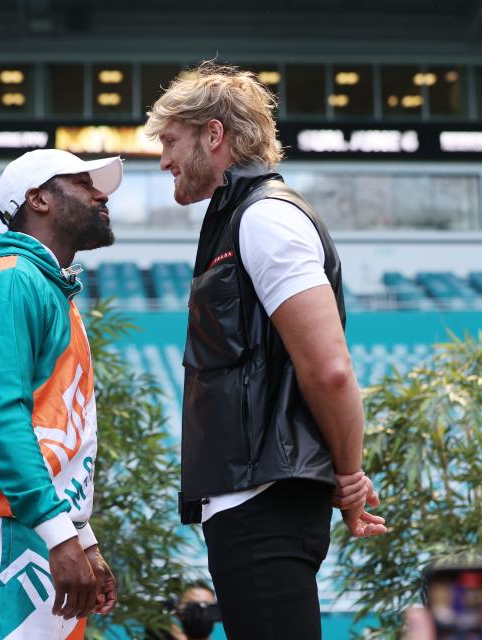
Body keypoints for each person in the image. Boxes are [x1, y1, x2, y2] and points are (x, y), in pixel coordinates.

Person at [144, 62, 387, 639]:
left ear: (214, 134)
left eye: (170, 141)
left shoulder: (266, 219)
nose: (163, 161)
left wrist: (348, 476)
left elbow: (329, 369)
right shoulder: (240, 219)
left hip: (263, 505)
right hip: (251, 505)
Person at [0, 149, 122, 640]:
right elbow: (4, 419)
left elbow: (49, 431)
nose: (101, 195)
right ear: (38, 199)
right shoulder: (11, 280)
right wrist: (62, 536)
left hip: (32, 525)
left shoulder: (44, 285)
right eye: (83, 184)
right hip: (0, 530)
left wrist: (82, 538)